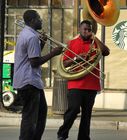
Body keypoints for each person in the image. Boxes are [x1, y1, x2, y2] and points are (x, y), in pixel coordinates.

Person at [13, 10, 63, 140]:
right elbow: (35, 62)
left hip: (30, 81)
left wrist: (42, 43)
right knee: (30, 118)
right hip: (29, 81)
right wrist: (53, 53)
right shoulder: (31, 37)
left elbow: (32, 56)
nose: (41, 20)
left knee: (40, 114)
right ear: (32, 21)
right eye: (39, 18)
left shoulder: (26, 34)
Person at [57, 20, 110, 140]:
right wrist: (77, 59)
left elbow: (106, 52)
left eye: (89, 30)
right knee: (73, 109)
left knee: (87, 115)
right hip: (76, 83)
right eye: (85, 29)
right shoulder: (72, 43)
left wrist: (95, 38)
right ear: (79, 30)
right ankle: (62, 133)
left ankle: (84, 137)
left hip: (91, 85)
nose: (87, 32)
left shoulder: (95, 43)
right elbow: (64, 64)